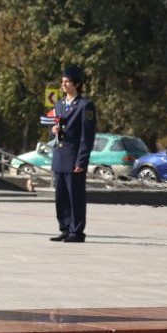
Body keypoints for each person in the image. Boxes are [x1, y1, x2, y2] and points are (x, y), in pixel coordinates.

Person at [50, 66, 96, 243]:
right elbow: (53, 130)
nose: (63, 84)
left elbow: (87, 136)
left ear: (76, 84)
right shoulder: (59, 105)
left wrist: (81, 160)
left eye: (67, 81)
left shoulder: (85, 106)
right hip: (60, 155)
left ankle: (76, 231)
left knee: (75, 196)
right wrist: (53, 130)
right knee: (60, 196)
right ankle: (65, 228)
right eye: (62, 81)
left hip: (74, 157)